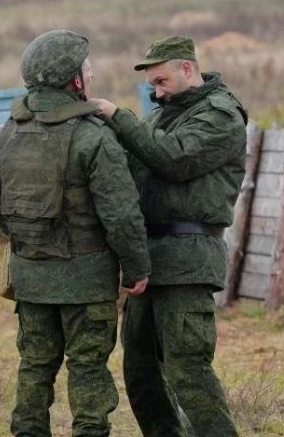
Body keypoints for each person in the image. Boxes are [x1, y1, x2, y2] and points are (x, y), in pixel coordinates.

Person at [0, 29, 151, 437]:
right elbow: (121, 215)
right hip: (88, 281)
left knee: (34, 365)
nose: (91, 74)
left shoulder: (7, 134)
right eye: (86, 69)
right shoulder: (92, 136)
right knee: (88, 367)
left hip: (30, 279)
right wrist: (136, 268)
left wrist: (35, 247)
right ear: (73, 80)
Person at [91, 35, 248, 437]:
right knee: (141, 370)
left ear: (187, 68)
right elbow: (134, 164)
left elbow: (174, 158)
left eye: (162, 81)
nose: (157, 92)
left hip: (188, 257)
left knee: (186, 368)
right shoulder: (162, 116)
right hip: (149, 258)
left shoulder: (220, 115)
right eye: (152, 86)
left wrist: (117, 116)